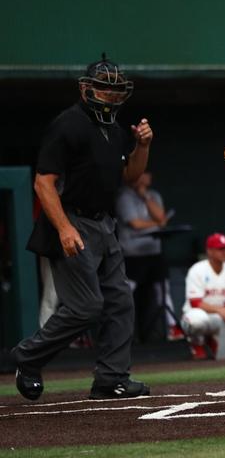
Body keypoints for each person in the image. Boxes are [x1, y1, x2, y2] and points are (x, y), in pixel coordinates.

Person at [14, 55, 153, 401]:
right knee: (86, 306)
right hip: (71, 219)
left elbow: (130, 176)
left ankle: (111, 377)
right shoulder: (68, 125)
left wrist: (143, 147)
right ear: (86, 88)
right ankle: (26, 358)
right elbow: (43, 183)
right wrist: (63, 228)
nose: (111, 95)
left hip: (104, 223)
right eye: (104, 88)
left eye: (116, 89)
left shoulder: (115, 131)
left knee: (120, 301)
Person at [116, 171, 184, 342]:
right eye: (143, 173)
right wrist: (157, 224)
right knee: (127, 291)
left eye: (147, 173)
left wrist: (144, 196)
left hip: (154, 252)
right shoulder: (124, 196)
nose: (147, 176)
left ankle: (172, 328)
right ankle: (120, 330)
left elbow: (161, 217)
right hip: (133, 253)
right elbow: (135, 223)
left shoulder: (153, 195)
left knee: (163, 289)